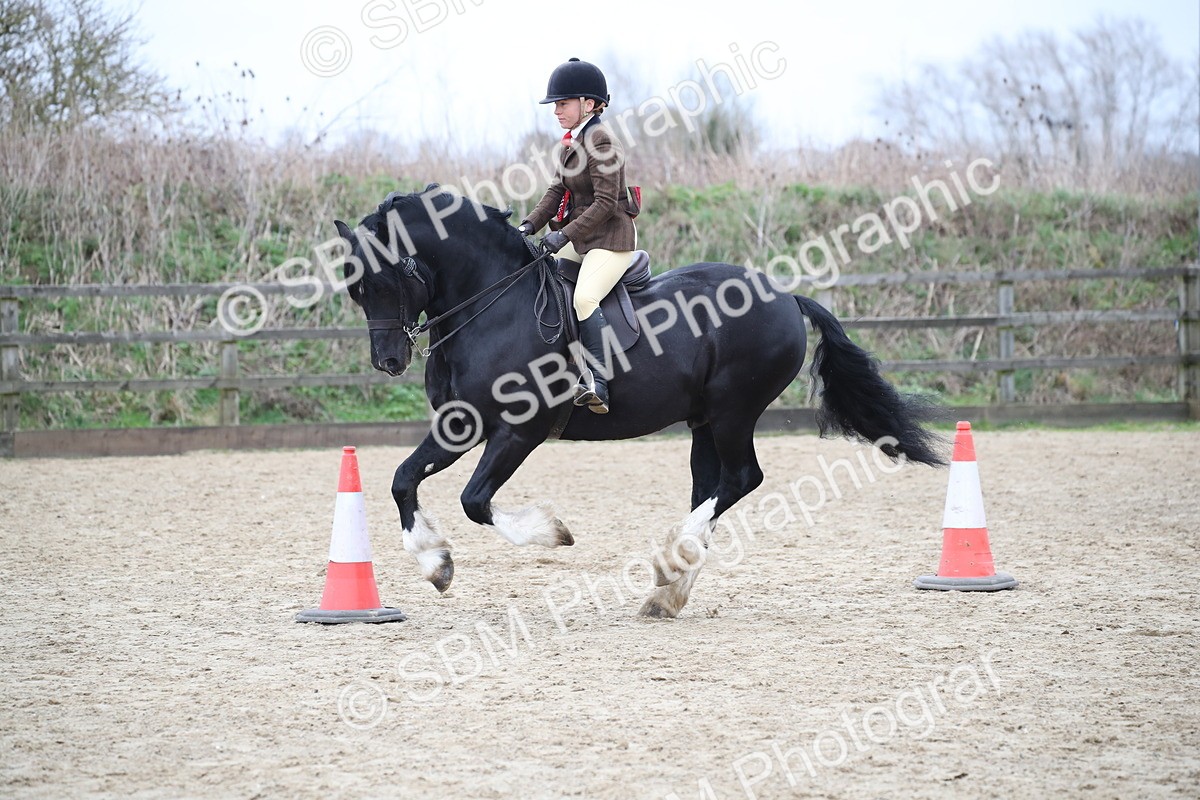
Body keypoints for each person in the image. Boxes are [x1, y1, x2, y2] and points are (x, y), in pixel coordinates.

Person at [517, 57, 641, 415]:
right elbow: (556, 192)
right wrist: (528, 226)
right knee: (541, 280)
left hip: (611, 239)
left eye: (562, 103)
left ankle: (597, 382)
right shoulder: (570, 142)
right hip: (582, 238)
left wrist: (562, 237)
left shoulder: (601, 140)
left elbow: (604, 204)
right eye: (555, 104)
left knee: (585, 297)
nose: (556, 110)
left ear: (588, 104)